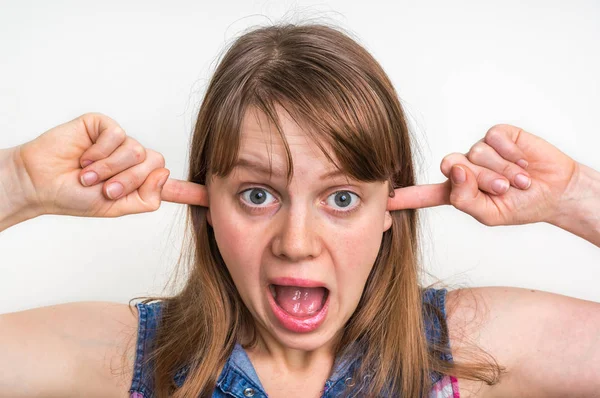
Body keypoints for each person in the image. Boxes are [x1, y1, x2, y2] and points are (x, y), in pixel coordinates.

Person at [0, 23, 599, 398]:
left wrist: (575, 198)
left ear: (389, 208)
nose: (296, 241)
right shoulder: (129, 359)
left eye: (341, 199)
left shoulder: (464, 350)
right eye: (257, 195)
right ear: (206, 202)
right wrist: (20, 182)